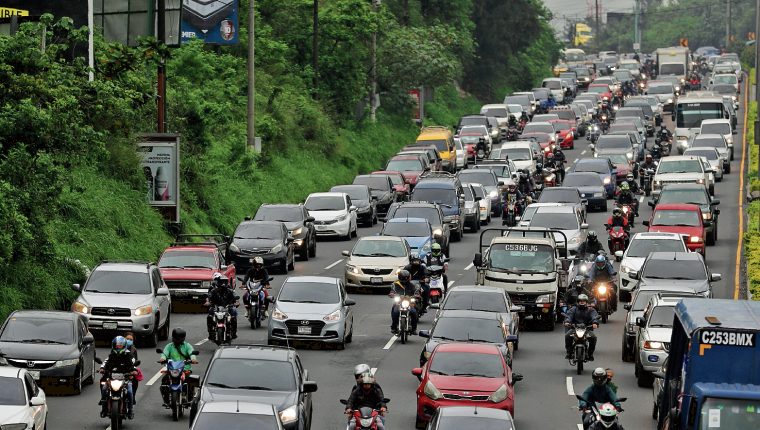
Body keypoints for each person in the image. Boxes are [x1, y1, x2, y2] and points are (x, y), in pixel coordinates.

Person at [158, 328, 198, 407]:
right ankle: (166, 399)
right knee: (164, 380)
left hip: (185, 369)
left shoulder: (187, 346)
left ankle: (190, 398)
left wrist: (193, 359)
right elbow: (164, 353)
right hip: (172, 370)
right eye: (175, 338)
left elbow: (192, 353)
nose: (176, 340)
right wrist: (163, 358)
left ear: (183, 338)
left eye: (178, 338)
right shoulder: (169, 346)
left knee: (190, 381)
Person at [98, 336, 137, 419]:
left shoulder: (128, 355)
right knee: (104, 389)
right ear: (114, 346)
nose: (118, 347)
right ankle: (104, 409)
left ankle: (130, 410)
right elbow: (106, 364)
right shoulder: (111, 356)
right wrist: (102, 369)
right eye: (117, 345)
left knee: (130, 392)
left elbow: (132, 365)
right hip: (111, 379)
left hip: (124, 379)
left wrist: (133, 371)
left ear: (124, 346)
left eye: (120, 345)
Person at [564, 294, 599, 360]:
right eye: (580, 301)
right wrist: (567, 322)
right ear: (578, 302)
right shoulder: (573, 309)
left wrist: (595, 323)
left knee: (593, 338)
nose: (582, 302)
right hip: (575, 329)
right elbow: (569, 316)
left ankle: (590, 354)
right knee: (567, 336)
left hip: (587, 329)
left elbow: (594, 316)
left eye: (583, 301)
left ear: (586, 302)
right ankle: (569, 353)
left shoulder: (591, 310)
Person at [206, 273, 238, 340]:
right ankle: (211, 332)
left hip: (228, 307)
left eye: (224, 282)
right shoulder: (213, 290)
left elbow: (235, 296)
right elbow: (209, 296)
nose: (223, 284)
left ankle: (234, 333)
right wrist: (208, 302)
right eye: (221, 282)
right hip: (216, 307)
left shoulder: (229, 290)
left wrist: (236, 302)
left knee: (233, 316)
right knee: (209, 316)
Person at [389, 270, 420, 334]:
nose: (405, 279)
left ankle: (414, 328)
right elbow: (392, 291)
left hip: (410, 303)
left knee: (414, 312)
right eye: (403, 277)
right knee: (395, 312)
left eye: (406, 277)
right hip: (398, 303)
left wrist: (416, 295)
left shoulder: (412, 285)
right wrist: (392, 294)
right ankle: (394, 327)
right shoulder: (395, 284)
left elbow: (416, 292)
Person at [124, 332, 140, 399]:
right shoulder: (117, 347)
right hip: (117, 370)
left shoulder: (133, 350)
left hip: (129, 370)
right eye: (127, 339)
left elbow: (135, 361)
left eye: (131, 340)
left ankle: (132, 397)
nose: (129, 341)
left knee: (135, 379)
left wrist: (133, 370)